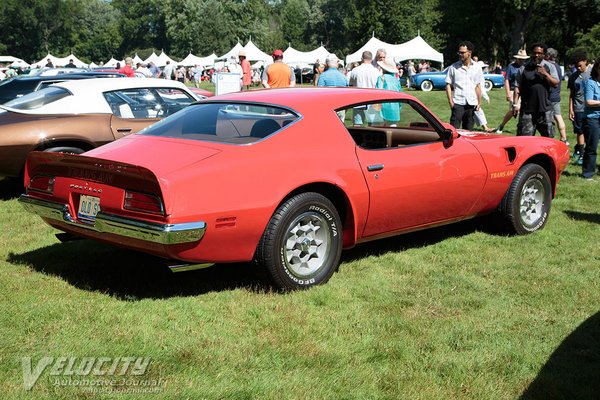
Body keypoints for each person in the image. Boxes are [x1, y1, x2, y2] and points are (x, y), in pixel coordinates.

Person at [512, 42, 559, 137]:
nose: (536, 55)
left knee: (548, 138)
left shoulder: (549, 67)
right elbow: (517, 87)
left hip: (545, 108)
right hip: (527, 109)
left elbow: (555, 83)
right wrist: (515, 104)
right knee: (524, 139)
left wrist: (545, 74)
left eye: (539, 53)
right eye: (534, 53)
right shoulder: (523, 68)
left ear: (544, 54)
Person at [445, 41, 483, 130]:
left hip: (471, 104)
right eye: (459, 52)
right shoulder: (453, 67)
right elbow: (448, 85)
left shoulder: (477, 67)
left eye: (462, 52)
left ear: (469, 53)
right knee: (453, 131)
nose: (460, 54)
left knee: (469, 131)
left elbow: (477, 86)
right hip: (458, 103)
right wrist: (451, 101)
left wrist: (479, 102)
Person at [495, 49, 529, 133]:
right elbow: (506, 80)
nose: (521, 60)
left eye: (523, 59)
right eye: (520, 58)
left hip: (524, 91)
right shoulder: (511, 66)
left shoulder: (526, 67)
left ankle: (520, 126)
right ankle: (502, 125)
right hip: (513, 90)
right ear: (517, 58)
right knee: (515, 108)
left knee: (521, 109)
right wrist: (508, 93)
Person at [568, 50, 591, 165]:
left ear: (585, 62)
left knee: (590, 132)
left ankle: (584, 150)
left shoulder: (594, 73)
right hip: (578, 108)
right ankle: (581, 154)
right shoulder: (573, 77)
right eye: (576, 66)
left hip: (591, 108)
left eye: (580, 66)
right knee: (579, 131)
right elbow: (571, 95)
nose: (578, 68)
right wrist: (570, 109)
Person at [348, 50, 381, 125]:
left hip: (358, 100)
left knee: (357, 124)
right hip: (372, 100)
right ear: (372, 59)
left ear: (361, 58)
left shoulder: (355, 70)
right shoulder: (376, 71)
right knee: (373, 124)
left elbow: (351, 85)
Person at [581, 60, 600, 180]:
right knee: (592, 147)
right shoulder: (590, 83)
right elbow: (588, 102)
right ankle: (588, 174)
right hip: (592, 119)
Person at [546, 48, 568, 143]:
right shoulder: (558, 67)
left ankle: (552, 138)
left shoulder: (548, 67)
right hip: (556, 95)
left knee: (550, 118)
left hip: (550, 96)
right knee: (558, 116)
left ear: (548, 56)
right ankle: (564, 138)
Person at [376, 56, 402, 126]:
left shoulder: (381, 78)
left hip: (383, 109)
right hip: (395, 109)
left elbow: (378, 93)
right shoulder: (396, 80)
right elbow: (400, 96)